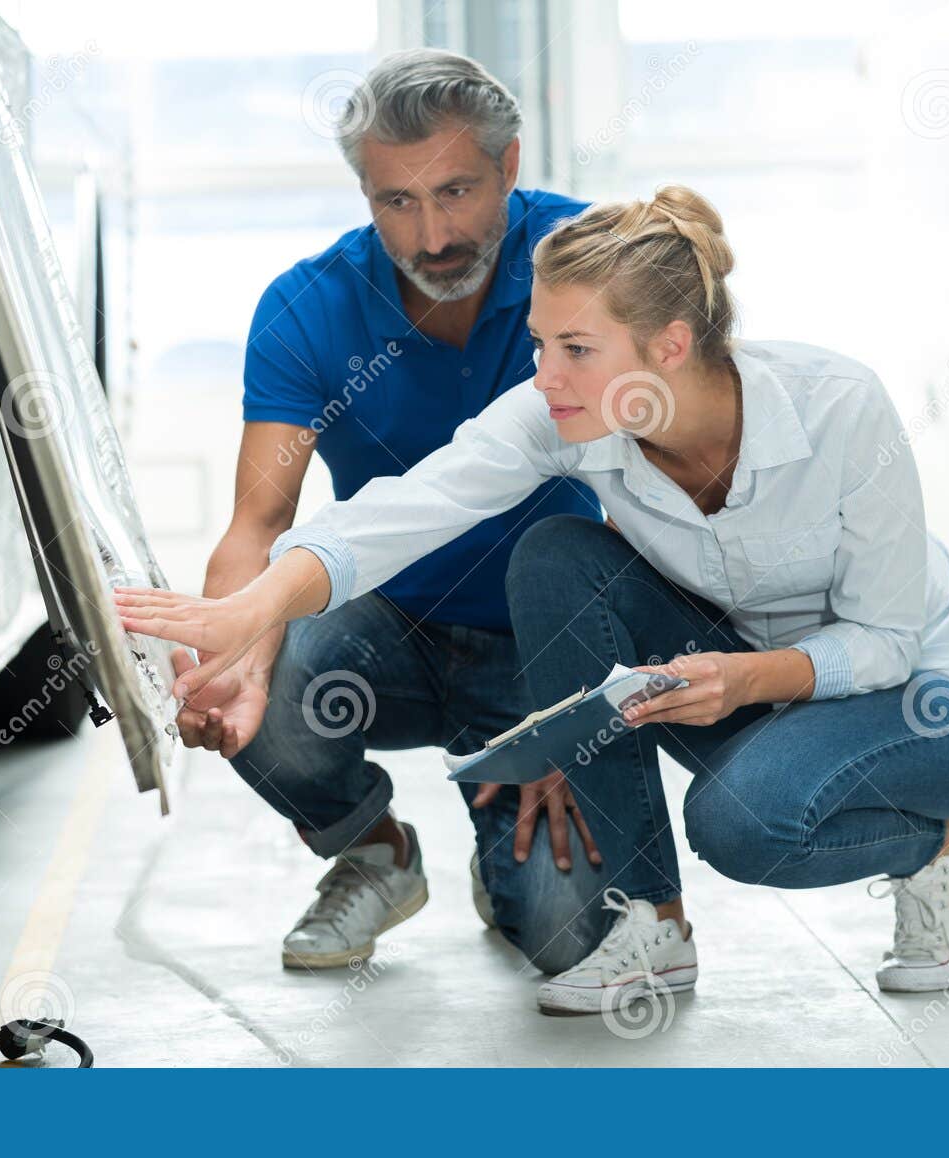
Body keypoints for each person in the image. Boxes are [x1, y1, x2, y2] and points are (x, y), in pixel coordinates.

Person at [119, 184, 949, 1017]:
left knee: (739, 824)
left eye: (576, 350)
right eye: (543, 344)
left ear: (669, 344)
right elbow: (408, 508)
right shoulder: (565, 415)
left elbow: (889, 641)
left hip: (927, 703)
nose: (545, 374)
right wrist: (256, 606)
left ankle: (937, 850)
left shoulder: (839, 407)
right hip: (750, 685)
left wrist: (747, 679)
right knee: (557, 555)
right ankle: (650, 924)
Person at [182, 47, 613, 975]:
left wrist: (584, 717)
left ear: (509, 166)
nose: (430, 239)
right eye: (396, 204)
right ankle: (375, 850)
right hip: (382, 627)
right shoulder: (307, 310)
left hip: (551, 645)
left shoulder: (591, 265)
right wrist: (218, 654)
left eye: (456, 192)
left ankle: (507, 870)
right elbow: (257, 528)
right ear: (365, 194)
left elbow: (670, 497)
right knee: (251, 688)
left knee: (570, 940)